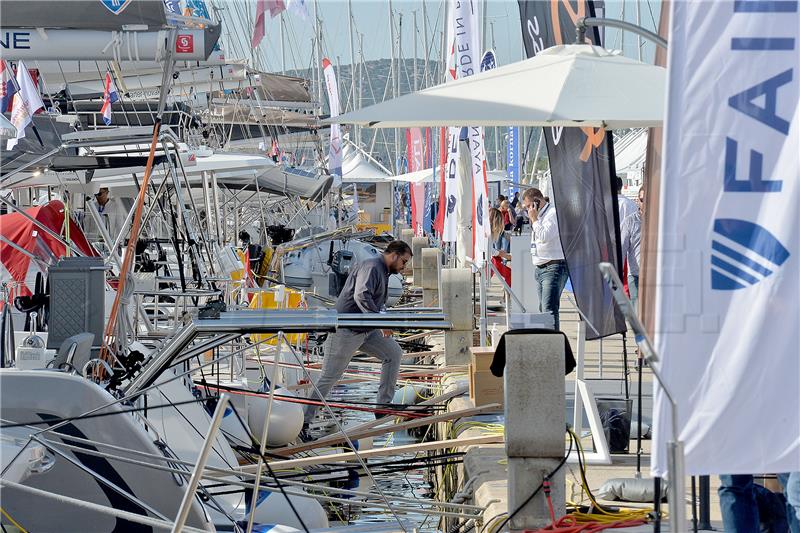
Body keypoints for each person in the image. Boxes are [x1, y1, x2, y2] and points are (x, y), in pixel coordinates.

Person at [302, 240, 413, 437]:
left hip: (366, 330)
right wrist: (381, 323)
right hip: (346, 330)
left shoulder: (384, 271)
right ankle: (304, 422)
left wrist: (383, 320)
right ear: (394, 255)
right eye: (404, 262)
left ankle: (382, 406)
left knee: (393, 353)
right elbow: (361, 295)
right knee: (330, 377)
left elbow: (377, 302)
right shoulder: (372, 266)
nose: (404, 267)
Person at [522, 187, 568, 331]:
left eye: (530, 205)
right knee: (544, 308)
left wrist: (534, 219)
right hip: (541, 266)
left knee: (549, 309)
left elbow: (544, 237)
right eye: (527, 207)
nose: (529, 210)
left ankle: (554, 343)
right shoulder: (541, 216)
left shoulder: (552, 214)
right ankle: (549, 338)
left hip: (553, 266)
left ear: (537, 201)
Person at [620, 187, 644, 309]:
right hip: (636, 275)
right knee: (638, 312)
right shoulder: (630, 222)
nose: (645, 203)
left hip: (657, 276)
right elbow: (622, 248)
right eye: (642, 199)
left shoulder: (661, 221)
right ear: (637, 201)